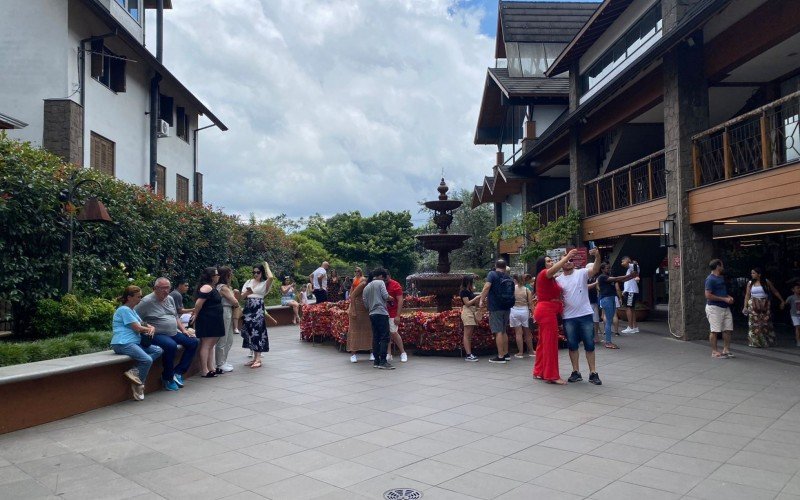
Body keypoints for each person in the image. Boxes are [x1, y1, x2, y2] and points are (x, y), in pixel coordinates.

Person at [135, 277, 198, 390]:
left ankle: (178, 372)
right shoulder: (146, 301)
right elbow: (134, 317)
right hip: (157, 334)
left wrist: (184, 330)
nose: (166, 291)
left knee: (193, 342)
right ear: (155, 288)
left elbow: (174, 316)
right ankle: (167, 377)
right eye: (163, 288)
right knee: (170, 346)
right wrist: (146, 327)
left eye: (167, 288)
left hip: (173, 332)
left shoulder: (170, 299)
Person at [556, 248, 604, 385]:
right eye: (565, 260)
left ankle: (593, 372)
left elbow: (595, 269)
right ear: (561, 262)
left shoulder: (581, 273)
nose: (568, 262)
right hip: (568, 317)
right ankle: (576, 371)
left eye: (571, 260)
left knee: (589, 344)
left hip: (584, 314)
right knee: (572, 345)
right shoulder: (558, 280)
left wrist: (597, 256)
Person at [112, 286, 162, 401]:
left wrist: (152, 327)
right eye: (138, 297)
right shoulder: (124, 310)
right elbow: (137, 328)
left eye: (141, 296)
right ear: (129, 297)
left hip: (134, 343)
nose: (140, 299)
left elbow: (143, 324)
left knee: (158, 350)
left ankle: (135, 371)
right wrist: (148, 329)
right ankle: (139, 385)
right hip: (123, 343)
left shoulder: (132, 310)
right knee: (147, 360)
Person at [532, 250, 573, 384]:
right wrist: (567, 257)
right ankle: (551, 375)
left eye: (551, 260)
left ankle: (539, 371)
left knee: (543, 343)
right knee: (550, 344)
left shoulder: (547, 276)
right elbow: (555, 269)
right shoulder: (545, 273)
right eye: (548, 261)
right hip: (546, 312)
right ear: (543, 265)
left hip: (545, 311)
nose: (551, 262)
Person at [478, 259, 515, 364]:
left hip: (495, 307)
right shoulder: (508, 277)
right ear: (505, 266)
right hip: (507, 306)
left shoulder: (492, 274)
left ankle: (500, 356)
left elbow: (487, 287)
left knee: (498, 331)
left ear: (495, 265)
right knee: (503, 331)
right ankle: (506, 353)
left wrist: (481, 299)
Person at [241, 262, 274, 369]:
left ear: (262, 272)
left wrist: (267, 266)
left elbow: (271, 277)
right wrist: (248, 292)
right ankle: (255, 358)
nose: (256, 274)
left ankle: (258, 358)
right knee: (250, 331)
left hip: (258, 309)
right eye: (254, 272)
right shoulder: (248, 281)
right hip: (248, 308)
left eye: (258, 272)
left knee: (257, 331)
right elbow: (242, 297)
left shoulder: (264, 284)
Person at [596, 263, 638, 349]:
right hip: (606, 299)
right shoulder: (602, 277)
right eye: (607, 268)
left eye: (609, 268)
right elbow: (617, 278)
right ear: (602, 269)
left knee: (610, 320)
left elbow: (622, 280)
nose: (609, 269)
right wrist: (630, 275)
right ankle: (608, 342)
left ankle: (608, 341)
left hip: (611, 298)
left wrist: (631, 276)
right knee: (608, 321)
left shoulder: (608, 277)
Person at [193, 267, 225, 377]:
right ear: (211, 276)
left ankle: (211, 367)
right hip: (207, 319)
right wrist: (195, 314)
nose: (218, 276)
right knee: (206, 344)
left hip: (214, 319)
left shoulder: (212, 287)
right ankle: (205, 370)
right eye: (216, 275)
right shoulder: (206, 287)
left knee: (211, 345)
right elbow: (198, 303)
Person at [743, 267, 785, 348]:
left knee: (765, 323)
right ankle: (755, 342)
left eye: (754, 273)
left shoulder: (766, 282)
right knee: (754, 323)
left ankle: (766, 341)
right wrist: (745, 306)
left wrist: (782, 300)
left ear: (759, 274)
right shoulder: (750, 283)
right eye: (751, 273)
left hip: (765, 304)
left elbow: (774, 291)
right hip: (753, 304)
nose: (752, 275)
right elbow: (747, 295)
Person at [363, 267, 394, 370]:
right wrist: (390, 298)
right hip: (381, 313)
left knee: (376, 337)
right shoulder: (380, 283)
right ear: (381, 276)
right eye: (384, 277)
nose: (384, 279)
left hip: (372, 314)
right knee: (385, 337)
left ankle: (376, 361)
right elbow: (385, 296)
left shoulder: (367, 287)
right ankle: (383, 361)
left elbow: (365, 303)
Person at [705, 259, 735, 359]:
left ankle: (726, 350)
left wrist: (728, 297)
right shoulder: (710, 279)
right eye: (722, 265)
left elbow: (721, 292)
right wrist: (724, 299)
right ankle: (714, 351)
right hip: (714, 308)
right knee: (715, 330)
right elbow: (708, 295)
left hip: (725, 307)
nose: (723, 267)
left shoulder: (721, 278)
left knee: (728, 329)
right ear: (718, 266)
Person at [215, 267, 239, 373]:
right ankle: (220, 363)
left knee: (229, 338)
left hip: (228, 310)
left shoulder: (227, 287)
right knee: (223, 338)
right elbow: (235, 301)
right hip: (224, 310)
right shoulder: (223, 287)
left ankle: (223, 360)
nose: (231, 276)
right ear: (226, 275)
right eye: (230, 274)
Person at [510, 275, 535, 358]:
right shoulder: (526, 290)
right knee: (527, 333)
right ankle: (531, 351)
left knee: (518, 333)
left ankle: (520, 352)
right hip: (524, 311)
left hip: (514, 311)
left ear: (515, 280)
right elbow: (531, 304)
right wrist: (534, 313)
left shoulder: (512, 289)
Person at [347, 278, 372, 362]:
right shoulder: (364, 284)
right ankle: (353, 354)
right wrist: (353, 310)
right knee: (355, 330)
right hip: (357, 309)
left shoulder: (373, 285)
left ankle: (372, 351)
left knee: (369, 330)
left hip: (366, 310)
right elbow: (352, 295)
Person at [385, 271, 408, 363]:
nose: (385, 280)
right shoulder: (381, 284)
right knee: (386, 334)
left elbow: (400, 300)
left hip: (393, 313)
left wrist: (398, 316)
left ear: (389, 276)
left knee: (393, 332)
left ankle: (403, 353)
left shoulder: (395, 285)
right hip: (383, 313)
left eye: (386, 278)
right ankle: (389, 354)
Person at [460, 275, 481, 362]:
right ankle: (468, 354)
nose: (473, 283)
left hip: (472, 311)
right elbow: (467, 303)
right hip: (467, 312)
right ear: (468, 282)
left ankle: (470, 353)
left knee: (469, 335)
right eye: (471, 281)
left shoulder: (469, 290)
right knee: (467, 335)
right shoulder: (463, 291)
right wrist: (476, 297)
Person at [620, 256, 640, 334]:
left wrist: (630, 262)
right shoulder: (630, 268)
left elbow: (624, 264)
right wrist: (624, 290)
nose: (622, 262)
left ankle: (630, 327)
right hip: (629, 291)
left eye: (623, 260)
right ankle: (635, 327)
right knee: (631, 308)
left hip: (631, 291)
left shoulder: (633, 266)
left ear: (628, 260)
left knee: (628, 308)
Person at [785, 282, 800, 347]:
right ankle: (798, 341)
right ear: (793, 290)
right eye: (797, 288)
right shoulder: (791, 297)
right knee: (797, 327)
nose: (799, 289)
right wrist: (782, 305)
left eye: (799, 288)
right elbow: (785, 303)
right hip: (794, 315)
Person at [587, 275, 601, 342]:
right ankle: (593, 336)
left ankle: (595, 336)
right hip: (588, 302)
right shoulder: (585, 278)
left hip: (593, 301)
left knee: (595, 319)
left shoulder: (595, 278)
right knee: (593, 320)